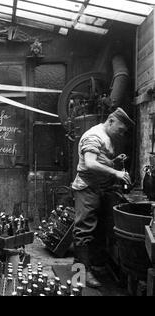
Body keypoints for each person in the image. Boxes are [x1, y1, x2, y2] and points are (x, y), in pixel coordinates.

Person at [71, 107, 135, 288]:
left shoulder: (106, 136)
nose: (121, 134)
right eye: (121, 130)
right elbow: (90, 163)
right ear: (111, 121)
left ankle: (93, 267)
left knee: (97, 229)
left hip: (99, 188)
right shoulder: (94, 136)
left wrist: (113, 162)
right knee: (83, 230)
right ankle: (80, 276)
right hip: (87, 188)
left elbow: (98, 160)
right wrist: (115, 171)